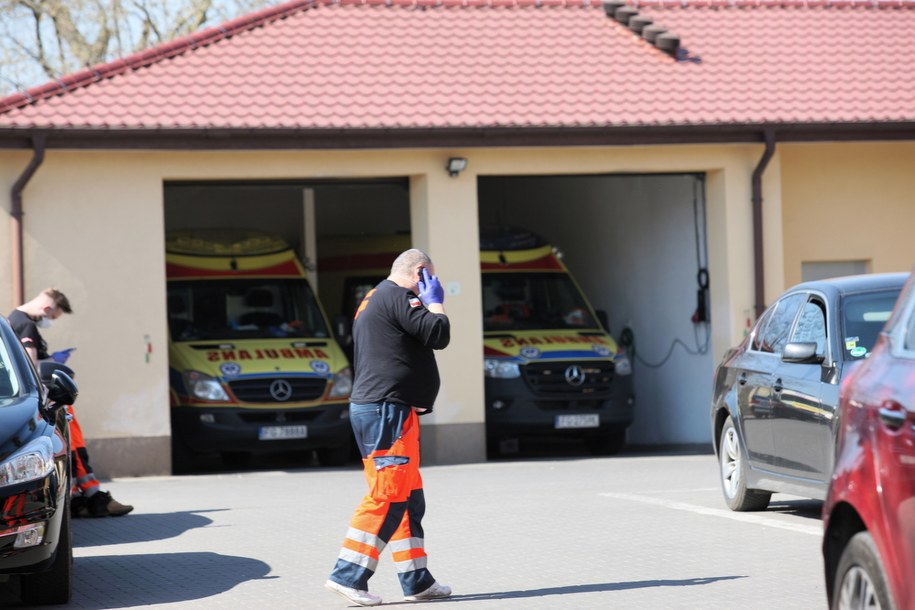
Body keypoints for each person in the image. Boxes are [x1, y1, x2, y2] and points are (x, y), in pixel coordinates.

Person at [325, 249, 452, 607]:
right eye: (429, 278)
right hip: (386, 411)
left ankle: (417, 581)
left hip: (389, 411)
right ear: (420, 273)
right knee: (388, 494)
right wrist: (436, 303)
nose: (430, 285)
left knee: (409, 498)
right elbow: (438, 333)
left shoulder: (377, 297)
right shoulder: (399, 296)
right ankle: (347, 576)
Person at [9, 288, 133, 518]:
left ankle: (82, 499)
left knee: (72, 452)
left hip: (35, 401)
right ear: (47, 309)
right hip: (49, 399)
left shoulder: (13, 320)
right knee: (74, 449)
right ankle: (94, 497)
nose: (50, 321)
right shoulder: (26, 324)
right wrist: (53, 363)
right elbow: (33, 367)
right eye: (53, 317)